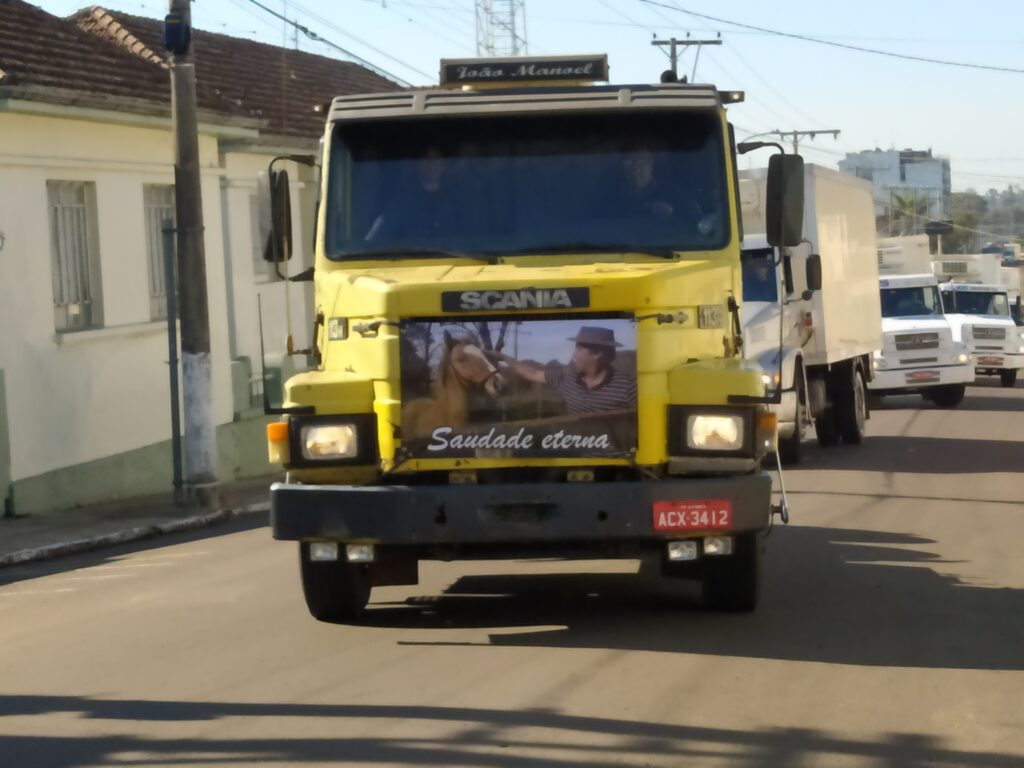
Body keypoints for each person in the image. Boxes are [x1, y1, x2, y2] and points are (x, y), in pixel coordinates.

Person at [492, 326, 637, 415]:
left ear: (597, 353)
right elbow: (533, 374)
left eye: (579, 349)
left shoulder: (628, 387)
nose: (574, 354)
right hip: (576, 457)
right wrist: (503, 357)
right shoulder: (568, 377)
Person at [365, 146, 453, 241]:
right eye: (426, 159)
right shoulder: (403, 201)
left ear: (444, 164)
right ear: (418, 164)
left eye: (435, 159)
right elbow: (378, 236)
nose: (431, 164)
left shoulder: (455, 199)